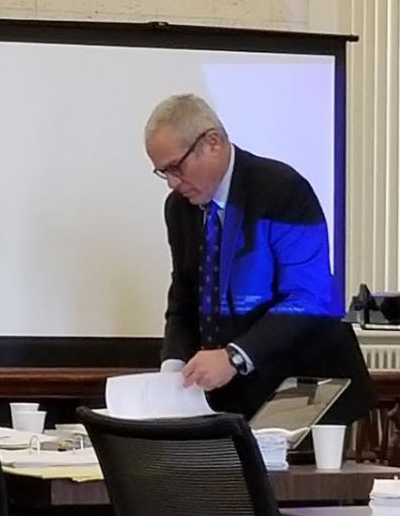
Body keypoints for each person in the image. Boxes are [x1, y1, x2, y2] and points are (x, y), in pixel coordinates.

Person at [145, 93, 375, 423]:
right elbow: (184, 299)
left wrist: (235, 357)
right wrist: (172, 370)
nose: (171, 183)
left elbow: (308, 296)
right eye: (162, 172)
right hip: (231, 401)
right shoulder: (179, 209)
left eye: (175, 168)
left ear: (213, 142)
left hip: (306, 390)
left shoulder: (282, 189)